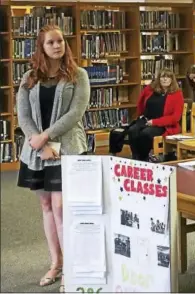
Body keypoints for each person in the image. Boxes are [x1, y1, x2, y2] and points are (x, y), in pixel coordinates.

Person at [16, 25, 90, 292]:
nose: (57, 46)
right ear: (42, 47)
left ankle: (71, 266)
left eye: (60, 41)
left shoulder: (78, 75)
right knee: (46, 205)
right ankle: (55, 262)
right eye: (51, 42)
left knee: (61, 207)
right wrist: (37, 140)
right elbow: (23, 115)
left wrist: (45, 136)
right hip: (37, 151)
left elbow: (76, 113)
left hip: (67, 147)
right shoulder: (29, 77)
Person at [129, 68, 184, 161]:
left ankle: (143, 158)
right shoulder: (151, 90)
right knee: (132, 130)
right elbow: (141, 102)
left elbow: (175, 118)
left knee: (146, 134)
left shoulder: (177, 94)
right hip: (146, 119)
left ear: (172, 80)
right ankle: (136, 157)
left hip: (164, 124)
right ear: (159, 78)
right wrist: (140, 115)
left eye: (168, 77)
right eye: (163, 77)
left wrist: (154, 122)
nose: (165, 79)